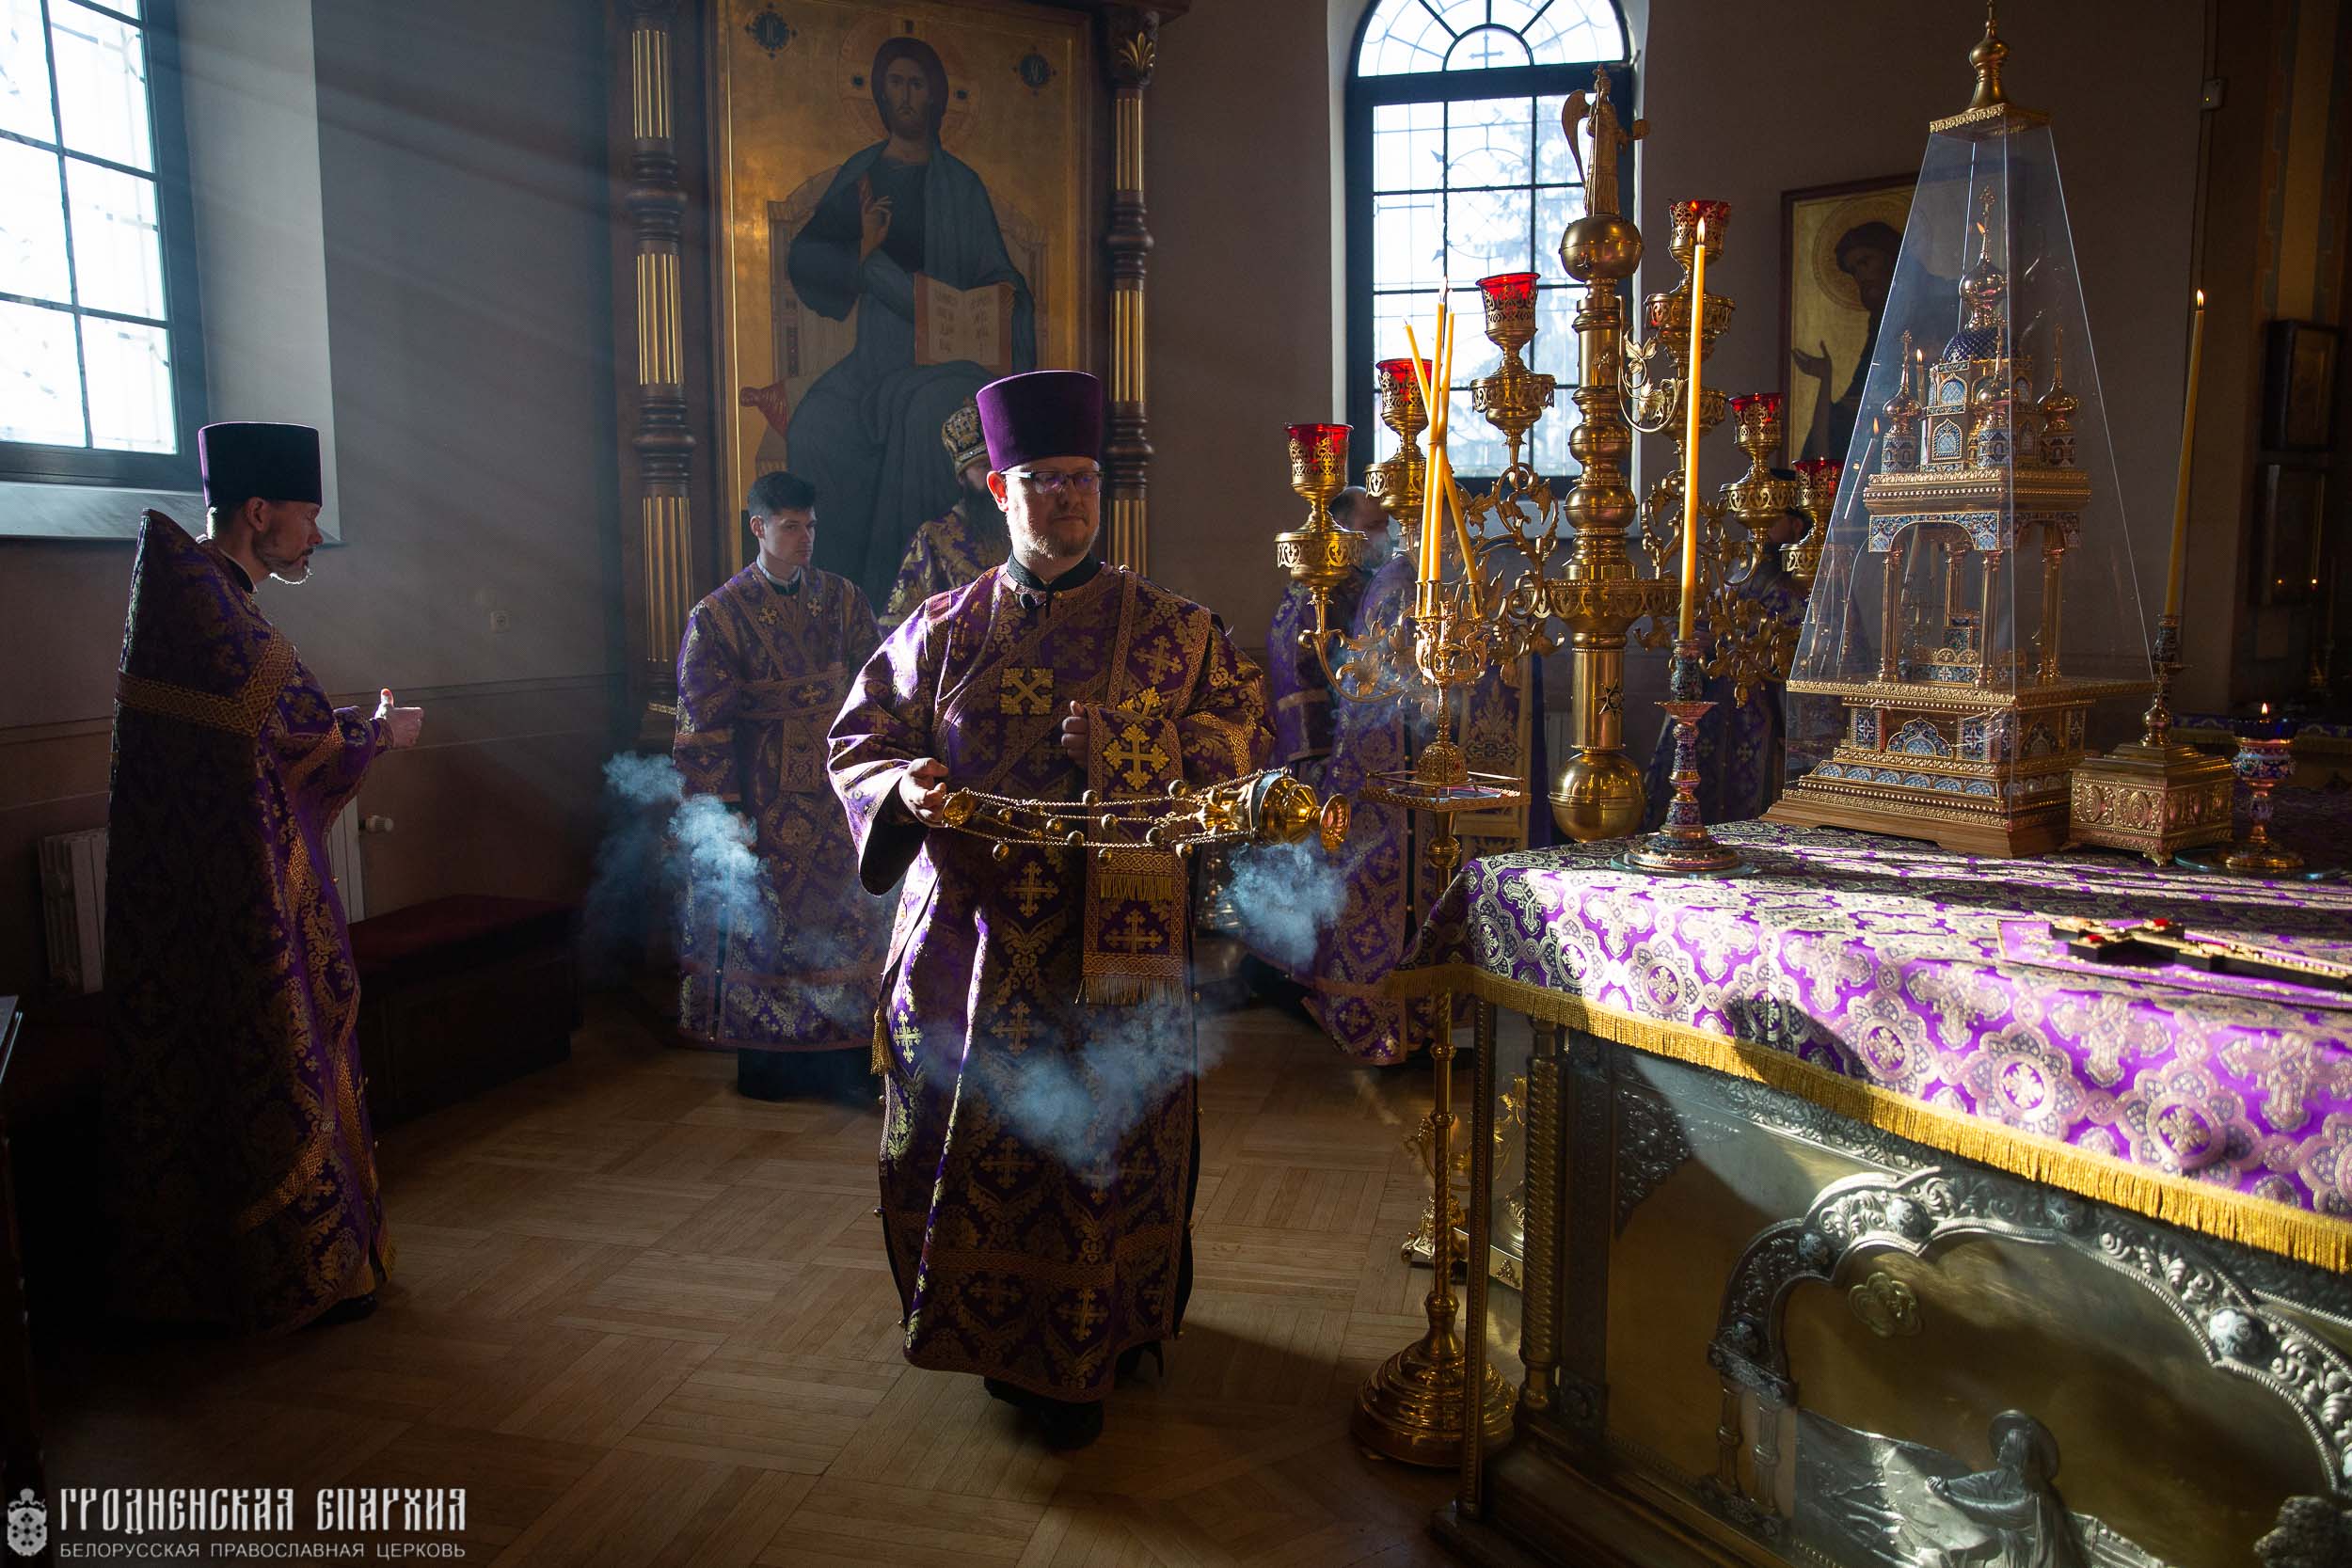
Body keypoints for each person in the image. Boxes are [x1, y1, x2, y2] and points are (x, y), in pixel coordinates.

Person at [829, 370, 1270, 1449]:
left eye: (1081, 478)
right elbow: (858, 741)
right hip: (969, 953)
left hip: (1110, 958)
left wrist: (1131, 744)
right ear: (998, 489)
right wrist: (903, 785)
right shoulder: (940, 629)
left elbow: (1241, 746)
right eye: (1042, 479)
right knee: (976, 1140)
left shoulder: (1174, 630)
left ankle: (1111, 1331)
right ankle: (995, 1339)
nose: (1067, 497)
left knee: (1105, 1144)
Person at [103, 421, 423, 1333]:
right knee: (279, 1058)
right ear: (258, 511)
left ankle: (239, 1273)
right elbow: (304, 738)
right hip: (242, 902)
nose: (315, 536)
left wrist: (350, 728)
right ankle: (304, 1271)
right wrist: (381, 733)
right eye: (307, 516)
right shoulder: (219, 614)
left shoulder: (191, 601)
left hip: (196, 893)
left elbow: (273, 735)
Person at [786, 36, 1037, 605]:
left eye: (916, 83)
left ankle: (907, 600)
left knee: (922, 416)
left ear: (936, 96)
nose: (905, 95)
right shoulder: (863, 174)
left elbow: (1002, 275)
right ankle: (838, 604)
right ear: (878, 92)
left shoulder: (961, 186)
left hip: (952, 361)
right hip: (876, 357)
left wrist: (1003, 296)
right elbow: (805, 261)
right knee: (814, 426)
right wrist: (861, 250)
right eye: (895, 82)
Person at [675, 470, 888, 1102]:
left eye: (810, 525)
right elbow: (702, 727)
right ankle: (773, 1068)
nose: (804, 538)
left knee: (849, 921)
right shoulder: (717, 615)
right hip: (764, 802)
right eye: (791, 526)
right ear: (759, 528)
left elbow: (878, 686)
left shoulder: (845, 600)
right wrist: (726, 812)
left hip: (839, 800)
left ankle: (850, 1059)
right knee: (771, 928)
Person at [1640, 478, 1811, 828]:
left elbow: (1793, 652)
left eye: (1771, 516)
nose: (1758, 527)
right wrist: (1696, 636)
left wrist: (1729, 644)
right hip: (1716, 701)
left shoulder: (1799, 585)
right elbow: (1715, 620)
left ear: (1795, 525)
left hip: (1763, 709)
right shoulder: (1737, 573)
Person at [880, 398, 1009, 631]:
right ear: (962, 477)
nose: (993, 475)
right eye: (983, 467)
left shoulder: (1022, 528)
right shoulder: (933, 537)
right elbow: (902, 624)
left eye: (996, 466)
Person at [1792, 219, 1901, 465]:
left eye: (1865, 262)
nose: (1860, 276)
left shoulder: (1929, 302)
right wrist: (1826, 378)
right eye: (1854, 271)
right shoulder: (1879, 319)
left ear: (1890, 256)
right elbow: (1856, 399)